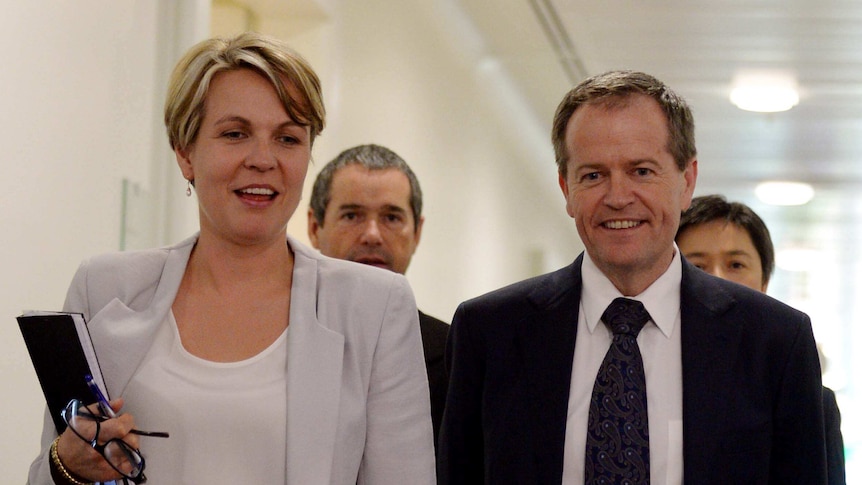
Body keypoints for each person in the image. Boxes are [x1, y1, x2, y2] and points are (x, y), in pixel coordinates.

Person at [28, 32, 435, 484]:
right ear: (185, 153)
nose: (263, 159)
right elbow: (54, 468)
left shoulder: (374, 307)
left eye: (287, 138)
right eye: (235, 133)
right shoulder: (105, 289)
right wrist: (66, 467)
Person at [438, 70, 827, 484]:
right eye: (593, 175)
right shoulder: (489, 331)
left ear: (686, 181)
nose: (618, 197)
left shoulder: (775, 341)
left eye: (641, 171)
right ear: (566, 189)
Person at [676, 194, 845, 485]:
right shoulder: (642, 382)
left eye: (736, 265)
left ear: (765, 282)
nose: (718, 280)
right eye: (697, 267)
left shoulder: (812, 401)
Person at [307, 143, 450, 452]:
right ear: (314, 227)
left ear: (417, 233)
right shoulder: (276, 337)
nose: (372, 234)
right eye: (352, 215)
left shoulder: (456, 356)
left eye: (391, 217)